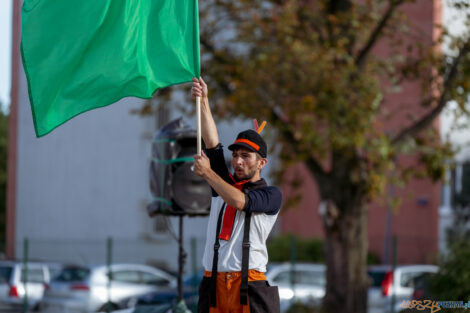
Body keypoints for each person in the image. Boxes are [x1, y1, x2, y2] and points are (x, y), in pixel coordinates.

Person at [191, 77, 282, 313]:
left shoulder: (271, 194)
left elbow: (240, 201)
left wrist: (208, 174)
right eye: (236, 155)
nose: (238, 161)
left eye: (245, 156)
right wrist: (203, 100)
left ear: (262, 162)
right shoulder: (223, 183)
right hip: (213, 280)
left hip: (250, 283)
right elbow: (212, 144)